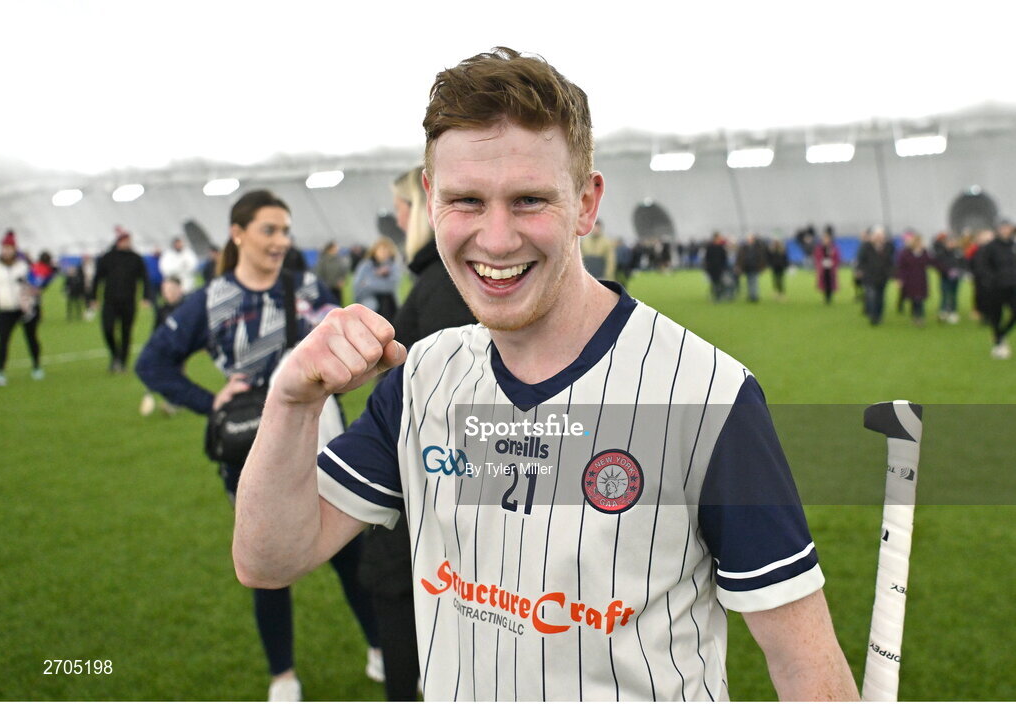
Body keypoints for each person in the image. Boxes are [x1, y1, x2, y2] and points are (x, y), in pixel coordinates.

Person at [232, 47, 858, 701]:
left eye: (529, 200)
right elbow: (268, 558)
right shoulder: (419, 378)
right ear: (429, 199)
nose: (496, 239)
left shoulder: (706, 395)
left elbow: (803, 663)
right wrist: (291, 401)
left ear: (585, 204)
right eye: (465, 201)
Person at [135, 190, 380, 701]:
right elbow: (152, 363)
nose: (280, 240)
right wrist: (212, 401)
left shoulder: (306, 285)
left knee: (349, 554)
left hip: (324, 438)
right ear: (238, 233)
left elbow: (346, 341)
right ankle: (282, 675)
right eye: (269, 229)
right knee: (268, 566)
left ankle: (380, 648)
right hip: (249, 448)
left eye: (286, 230)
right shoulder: (212, 298)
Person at [358, 166, 478, 701]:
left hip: (427, 519)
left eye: (403, 206)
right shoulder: (437, 280)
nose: (398, 217)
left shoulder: (444, 286)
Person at [92, 227, 151, 372]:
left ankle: (123, 362)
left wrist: (145, 297)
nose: (127, 243)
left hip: (128, 301)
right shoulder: (107, 257)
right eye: (124, 240)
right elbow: (97, 278)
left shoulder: (136, 258)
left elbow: (144, 278)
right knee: (108, 329)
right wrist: (92, 297)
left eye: (128, 240)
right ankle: (115, 354)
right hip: (110, 301)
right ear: (118, 241)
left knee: (126, 332)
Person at [0, 231, 43, 385]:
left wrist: (33, 292)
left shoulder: (24, 265)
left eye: (9, 247)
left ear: (15, 249)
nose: (6, 251)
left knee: (31, 338)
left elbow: (37, 283)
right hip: (5, 309)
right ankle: (0, 371)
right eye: (4, 248)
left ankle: (36, 366)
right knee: (2, 340)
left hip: (25, 308)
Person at [139, 276, 183, 417]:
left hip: (180, 348)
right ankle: (172, 401)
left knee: (176, 373)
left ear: (179, 290)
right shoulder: (162, 309)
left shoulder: (185, 309)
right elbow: (156, 330)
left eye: (171, 290)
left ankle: (173, 402)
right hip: (164, 348)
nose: (167, 293)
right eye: (165, 290)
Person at [981, 221, 1016, 358]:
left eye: (1008, 228)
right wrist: (991, 280)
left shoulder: (1013, 245)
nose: (1006, 231)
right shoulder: (991, 247)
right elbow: (984, 265)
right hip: (996, 287)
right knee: (996, 315)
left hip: (1013, 285)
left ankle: (1001, 335)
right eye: (1003, 228)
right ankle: (998, 343)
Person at [351, 236, 402, 320]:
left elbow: (390, 286)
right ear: (375, 251)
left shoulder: (393, 266)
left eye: (387, 250)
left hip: (390, 307)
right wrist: (378, 277)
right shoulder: (365, 266)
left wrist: (368, 282)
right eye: (382, 250)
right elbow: (358, 288)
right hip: (369, 305)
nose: (384, 253)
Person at [856, 226, 895, 325]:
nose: (879, 237)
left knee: (881, 297)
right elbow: (861, 259)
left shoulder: (889, 246)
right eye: (877, 235)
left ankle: (879, 315)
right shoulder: (866, 246)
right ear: (873, 236)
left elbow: (891, 262)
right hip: (869, 275)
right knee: (872, 295)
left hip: (883, 276)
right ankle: (873, 316)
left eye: (881, 235)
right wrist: (859, 270)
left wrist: (894, 274)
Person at [895, 233, 933, 326]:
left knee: (920, 299)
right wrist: (900, 279)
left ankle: (920, 317)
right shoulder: (905, 253)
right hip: (910, 279)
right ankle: (915, 316)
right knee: (914, 299)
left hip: (921, 278)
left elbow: (930, 262)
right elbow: (901, 267)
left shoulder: (924, 252)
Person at [313, 241, 350, 307]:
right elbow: (319, 275)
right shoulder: (323, 260)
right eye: (335, 247)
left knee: (338, 306)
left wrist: (342, 280)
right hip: (327, 289)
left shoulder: (339, 259)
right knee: (328, 307)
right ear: (330, 248)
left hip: (337, 288)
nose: (338, 248)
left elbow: (344, 271)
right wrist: (324, 286)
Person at [737, 232, 767, 302]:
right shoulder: (744, 247)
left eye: (750, 239)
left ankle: (754, 296)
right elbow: (740, 257)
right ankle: (751, 295)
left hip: (755, 267)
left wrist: (762, 267)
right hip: (747, 267)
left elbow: (761, 258)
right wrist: (739, 266)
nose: (749, 240)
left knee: (754, 281)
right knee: (749, 282)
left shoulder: (758, 248)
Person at [814, 226, 840, 304]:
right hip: (823, 268)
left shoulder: (833, 247)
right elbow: (817, 256)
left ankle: (829, 298)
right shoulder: (819, 248)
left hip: (831, 268)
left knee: (830, 282)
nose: (825, 240)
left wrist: (832, 263)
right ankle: (825, 297)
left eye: (827, 238)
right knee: (824, 282)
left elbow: (837, 257)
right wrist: (821, 263)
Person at [703, 231, 729, 301]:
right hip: (712, 269)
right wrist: (707, 267)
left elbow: (724, 258)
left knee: (720, 282)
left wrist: (724, 267)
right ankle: (715, 295)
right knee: (714, 283)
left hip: (720, 268)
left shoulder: (721, 247)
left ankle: (719, 295)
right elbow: (707, 258)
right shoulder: (710, 247)